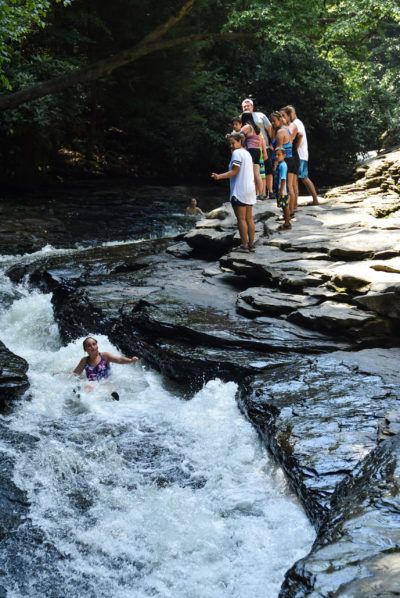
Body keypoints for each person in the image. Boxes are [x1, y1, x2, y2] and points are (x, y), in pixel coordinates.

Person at [211, 132, 256, 252]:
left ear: (240, 141)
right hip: (250, 189)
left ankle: (244, 245)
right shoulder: (247, 153)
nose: (231, 145)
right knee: (249, 219)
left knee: (241, 219)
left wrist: (219, 176)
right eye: (229, 144)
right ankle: (251, 244)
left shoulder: (236, 153)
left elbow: (234, 171)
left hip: (240, 190)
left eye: (233, 143)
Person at [73, 337, 139, 401]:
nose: (92, 347)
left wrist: (130, 360)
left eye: (94, 344)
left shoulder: (105, 356)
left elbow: (119, 359)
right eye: (89, 346)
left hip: (106, 381)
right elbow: (75, 374)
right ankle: (83, 399)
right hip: (92, 383)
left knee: (110, 390)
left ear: (97, 345)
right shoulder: (84, 360)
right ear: (85, 349)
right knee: (88, 386)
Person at [282, 105, 319, 205]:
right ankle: (295, 203)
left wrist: (295, 148)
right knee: (297, 178)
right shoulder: (296, 123)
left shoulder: (296, 123)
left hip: (300, 154)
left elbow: (300, 135)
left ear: (291, 114)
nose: (283, 117)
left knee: (303, 177)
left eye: (284, 115)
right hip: (301, 154)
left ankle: (315, 199)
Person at [241, 98, 274, 198]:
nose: (246, 107)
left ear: (252, 106)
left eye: (248, 105)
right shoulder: (249, 122)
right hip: (257, 149)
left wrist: (272, 143)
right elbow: (260, 137)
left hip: (257, 148)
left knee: (265, 170)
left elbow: (269, 129)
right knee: (258, 172)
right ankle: (261, 193)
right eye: (244, 106)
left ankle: (268, 192)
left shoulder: (259, 116)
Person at [270, 111, 296, 217]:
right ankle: (291, 211)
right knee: (290, 187)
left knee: (287, 187)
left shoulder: (280, 132)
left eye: (274, 121)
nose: (272, 123)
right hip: (291, 159)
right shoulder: (286, 129)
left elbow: (279, 150)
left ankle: (288, 213)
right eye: (271, 121)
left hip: (286, 161)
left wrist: (275, 165)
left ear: (280, 120)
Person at [240, 111, 263, 197]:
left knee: (248, 172)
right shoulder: (255, 128)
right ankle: (260, 194)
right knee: (257, 174)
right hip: (257, 150)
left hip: (251, 150)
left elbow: (239, 135)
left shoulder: (247, 126)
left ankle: (249, 193)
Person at [275, 148, 291, 230]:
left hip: (283, 189)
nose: (277, 156)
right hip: (281, 189)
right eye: (276, 155)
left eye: (279, 155)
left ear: (284, 155)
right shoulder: (280, 164)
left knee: (285, 206)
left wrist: (281, 190)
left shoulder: (283, 165)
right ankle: (286, 222)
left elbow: (283, 179)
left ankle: (287, 223)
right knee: (284, 206)